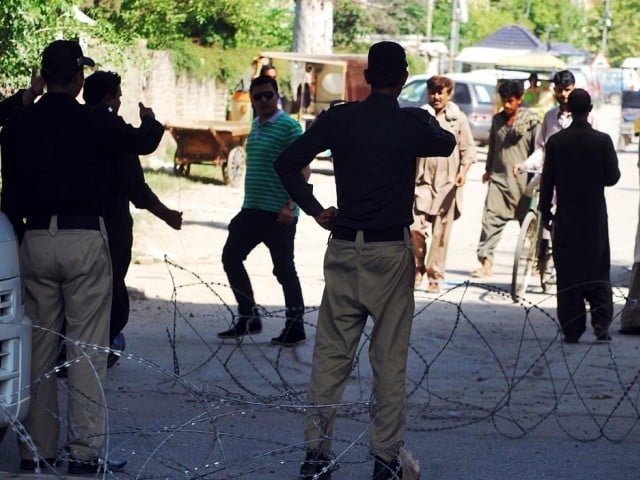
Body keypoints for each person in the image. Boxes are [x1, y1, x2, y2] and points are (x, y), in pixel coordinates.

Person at [275, 41, 456, 480]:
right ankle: (385, 459)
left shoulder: (339, 119)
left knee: (330, 358)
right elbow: (447, 143)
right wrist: (419, 117)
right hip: (390, 251)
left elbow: (288, 162)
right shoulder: (410, 121)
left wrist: (316, 209)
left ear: (368, 77)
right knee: (388, 360)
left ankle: (316, 455)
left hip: (343, 247)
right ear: (404, 78)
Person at [0, 39, 164, 474]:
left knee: (38, 346)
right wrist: (152, 123)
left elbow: (10, 192)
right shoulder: (93, 120)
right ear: (77, 78)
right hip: (83, 237)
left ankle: (36, 450)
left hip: (34, 238)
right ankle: (84, 454)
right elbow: (142, 143)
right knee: (87, 349)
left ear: (44, 76)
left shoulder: (19, 124)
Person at [82, 71, 183, 364]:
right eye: (118, 95)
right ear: (109, 98)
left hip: (74, 225)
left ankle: (76, 347)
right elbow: (136, 183)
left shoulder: (72, 125)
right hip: (111, 226)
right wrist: (150, 122)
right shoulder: (112, 130)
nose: (121, 99)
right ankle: (99, 347)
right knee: (113, 291)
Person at [217, 74, 310, 347]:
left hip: (279, 213)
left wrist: (291, 206)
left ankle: (296, 327)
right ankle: (249, 317)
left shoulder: (289, 128)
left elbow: (303, 169)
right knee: (231, 257)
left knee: (284, 270)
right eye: (257, 96)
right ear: (251, 99)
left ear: (277, 95)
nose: (263, 100)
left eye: (268, 94)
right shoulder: (255, 125)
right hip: (252, 210)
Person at [539, 89, 620, 343]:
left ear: (568, 108)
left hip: (567, 217)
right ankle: (600, 321)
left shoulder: (556, 142)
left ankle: (572, 328)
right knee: (597, 269)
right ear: (591, 108)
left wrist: (545, 212)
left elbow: (547, 180)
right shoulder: (603, 141)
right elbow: (612, 177)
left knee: (569, 272)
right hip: (594, 217)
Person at [411, 75, 476, 292]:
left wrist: (463, 173)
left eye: (441, 92)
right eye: (432, 92)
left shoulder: (458, 118)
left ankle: (434, 276)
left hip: (447, 186)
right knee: (414, 228)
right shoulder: (420, 116)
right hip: (422, 183)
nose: (436, 97)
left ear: (449, 94)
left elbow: (468, 150)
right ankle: (416, 267)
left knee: (440, 235)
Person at [471, 80, 540, 278]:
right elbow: (493, 147)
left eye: (511, 101)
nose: (507, 105)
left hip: (524, 184)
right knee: (489, 222)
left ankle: (535, 262)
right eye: (504, 101)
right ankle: (486, 263)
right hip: (499, 181)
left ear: (520, 100)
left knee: (530, 226)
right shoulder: (497, 120)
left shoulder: (531, 122)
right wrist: (487, 170)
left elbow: (538, 151)